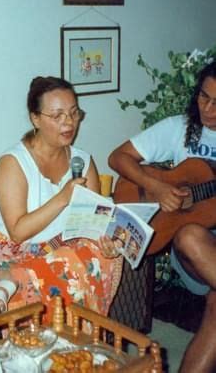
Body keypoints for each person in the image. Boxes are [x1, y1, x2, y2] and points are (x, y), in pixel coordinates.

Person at [0, 76, 122, 322]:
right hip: (11, 251)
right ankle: (14, 285)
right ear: (35, 118)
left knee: (105, 255)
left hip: (58, 245)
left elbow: (92, 223)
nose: (69, 122)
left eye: (74, 113)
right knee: (66, 268)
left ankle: (75, 336)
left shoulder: (82, 160)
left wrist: (107, 239)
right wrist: (63, 198)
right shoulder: (12, 163)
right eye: (58, 115)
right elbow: (18, 232)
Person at [108, 61, 216, 373]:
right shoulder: (178, 128)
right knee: (189, 233)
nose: (207, 109)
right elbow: (118, 157)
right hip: (192, 249)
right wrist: (155, 187)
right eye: (203, 97)